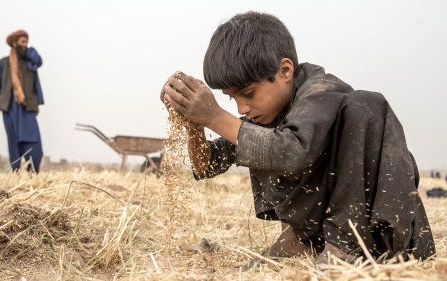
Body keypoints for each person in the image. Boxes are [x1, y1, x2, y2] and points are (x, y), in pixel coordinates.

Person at [160, 11, 435, 265]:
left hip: (378, 231)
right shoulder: (265, 115)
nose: (241, 109)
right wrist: (194, 121)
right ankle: (302, 237)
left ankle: (346, 244)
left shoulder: (322, 90)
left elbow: (290, 151)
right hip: (317, 231)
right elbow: (204, 166)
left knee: (366, 104)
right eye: (232, 99)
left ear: (285, 70)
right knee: (257, 135)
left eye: (248, 93)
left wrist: (214, 116)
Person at [0, 29, 44, 173]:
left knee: (33, 141)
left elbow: (38, 61)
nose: (25, 45)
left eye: (26, 42)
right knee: (13, 141)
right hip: (8, 107)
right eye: (22, 42)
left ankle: (33, 171)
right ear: (14, 43)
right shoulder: (3, 63)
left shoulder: (30, 62)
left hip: (26, 107)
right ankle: (15, 171)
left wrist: (28, 51)